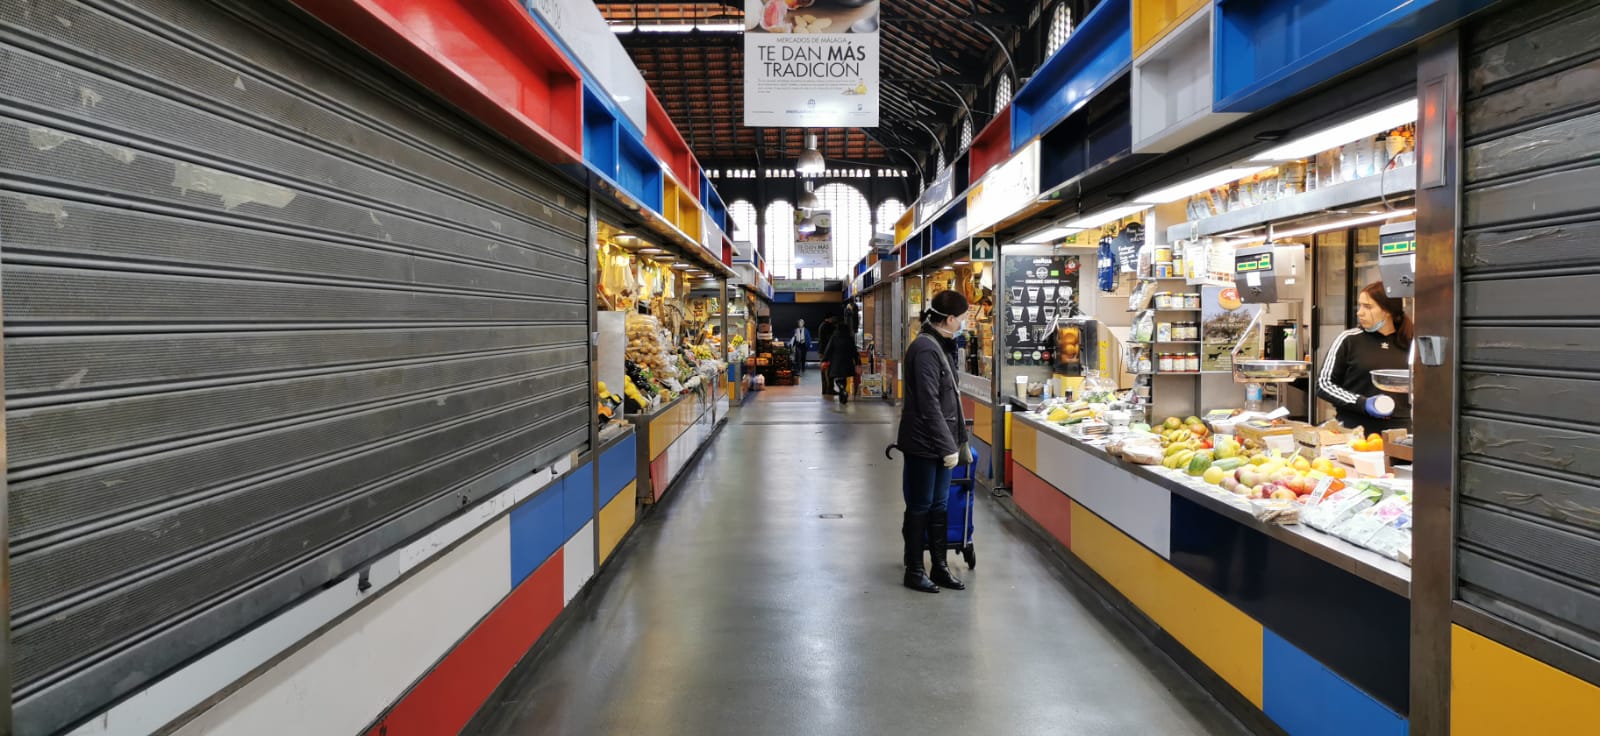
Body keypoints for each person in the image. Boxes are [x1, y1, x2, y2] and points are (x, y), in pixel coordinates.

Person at [894, 290, 970, 594]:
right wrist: (946, 446)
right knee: (920, 505)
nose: (964, 324)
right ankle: (914, 569)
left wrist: (950, 443)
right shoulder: (925, 349)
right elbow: (929, 404)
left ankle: (939, 567)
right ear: (950, 319)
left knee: (939, 505)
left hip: (940, 443)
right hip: (924, 445)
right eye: (962, 319)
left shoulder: (941, 344)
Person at [1317, 281, 1413, 433]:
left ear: (1387, 310)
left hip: (1401, 432)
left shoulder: (1411, 342)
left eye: (1368, 307)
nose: (1359, 312)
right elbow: (1323, 384)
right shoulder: (1349, 339)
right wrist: (1362, 403)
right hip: (1353, 431)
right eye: (1360, 305)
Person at [823, 326, 862, 405]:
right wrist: (858, 363)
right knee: (843, 378)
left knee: (837, 378)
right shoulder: (849, 338)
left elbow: (828, 349)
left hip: (836, 362)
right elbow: (854, 351)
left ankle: (842, 389)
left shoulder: (834, 338)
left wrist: (825, 359)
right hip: (847, 362)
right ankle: (842, 394)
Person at [817, 316, 838, 396]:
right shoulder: (827, 326)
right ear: (830, 318)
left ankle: (825, 389)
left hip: (823, 352)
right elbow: (829, 339)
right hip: (826, 353)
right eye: (833, 318)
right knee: (828, 371)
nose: (834, 320)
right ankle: (829, 389)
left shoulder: (822, 325)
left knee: (824, 370)